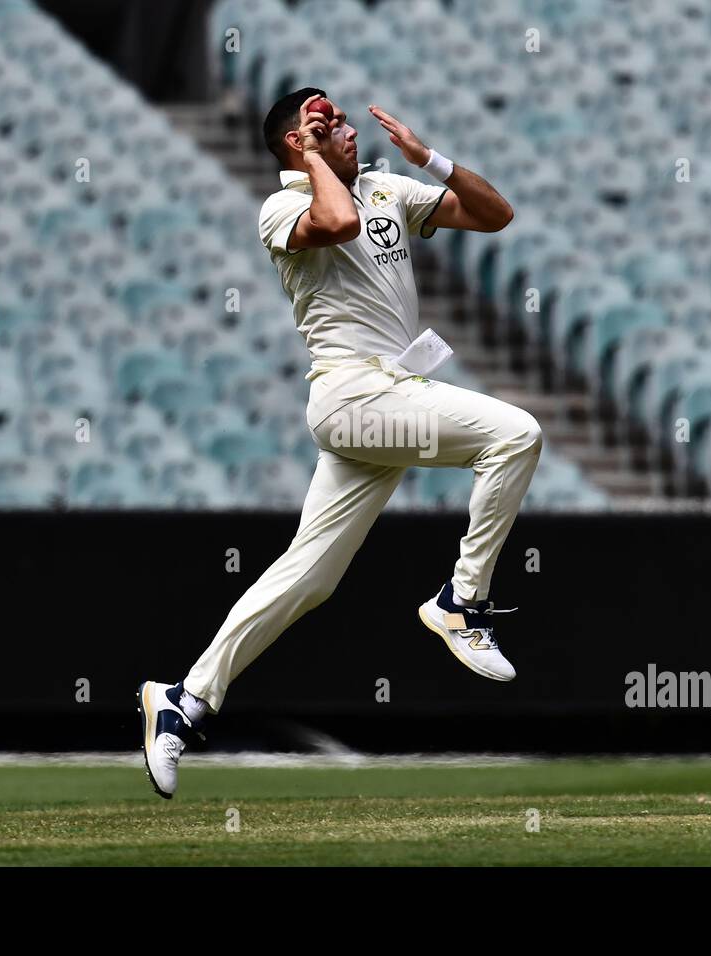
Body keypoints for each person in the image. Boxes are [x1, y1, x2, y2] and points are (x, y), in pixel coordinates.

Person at [138, 87, 540, 799]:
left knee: (310, 576)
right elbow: (337, 220)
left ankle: (184, 700)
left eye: (342, 120)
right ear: (296, 145)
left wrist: (431, 159)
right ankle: (461, 601)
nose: (347, 130)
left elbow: (494, 215)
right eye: (325, 125)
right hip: (353, 396)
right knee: (516, 435)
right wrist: (317, 157)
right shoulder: (282, 206)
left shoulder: (388, 185)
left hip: (382, 406)